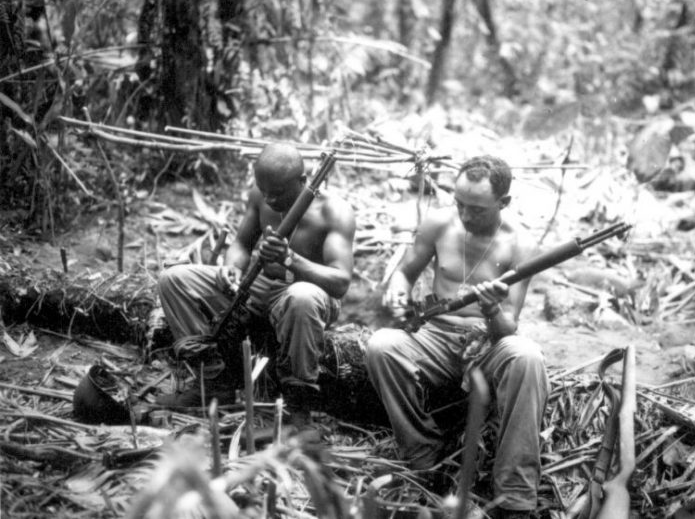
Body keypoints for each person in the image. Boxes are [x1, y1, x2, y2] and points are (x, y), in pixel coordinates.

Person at [365, 155, 549, 519]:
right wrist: (398, 292)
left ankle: (514, 497)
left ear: (504, 203)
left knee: (527, 356)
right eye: (459, 203)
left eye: (476, 209)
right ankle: (424, 461)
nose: (465, 216)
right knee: (381, 346)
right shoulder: (439, 224)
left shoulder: (520, 245)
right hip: (434, 336)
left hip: (488, 344)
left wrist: (492, 309)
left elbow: (507, 327)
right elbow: (404, 271)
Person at [156, 143, 356, 419]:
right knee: (174, 279)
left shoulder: (334, 212)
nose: (270, 200)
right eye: (265, 192)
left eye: (278, 193)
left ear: (302, 181)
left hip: (309, 295)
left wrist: (291, 260)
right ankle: (216, 380)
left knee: (302, 297)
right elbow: (240, 244)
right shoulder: (262, 196)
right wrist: (232, 269)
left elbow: (340, 282)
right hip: (262, 286)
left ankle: (299, 406)